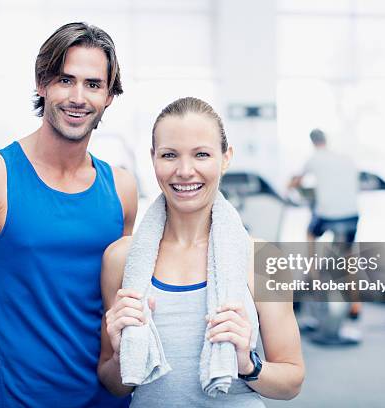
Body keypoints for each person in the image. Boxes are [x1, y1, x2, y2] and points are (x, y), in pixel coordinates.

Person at [0, 22, 137, 407]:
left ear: (109, 96)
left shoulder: (122, 189)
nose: (78, 97)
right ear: (42, 84)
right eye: (64, 80)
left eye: (93, 84)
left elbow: (121, 304)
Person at [97, 97, 305, 406]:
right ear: (153, 158)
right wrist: (119, 355)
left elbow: (291, 381)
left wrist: (248, 364)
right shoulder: (120, 259)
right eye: (169, 155)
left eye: (202, 155)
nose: (184, 170)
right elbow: (113, 383)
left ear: (225, 158)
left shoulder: (264, 259)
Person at [287, 129, 361, 317]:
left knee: (310, 234)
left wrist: (289, 185)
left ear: (313, 142)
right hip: (352, 214)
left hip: (328, 215)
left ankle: (314, 279)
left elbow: (295, 182)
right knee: (348, 257)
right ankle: (355, 304)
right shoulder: (345, 158)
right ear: (326, 139)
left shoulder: (314, 158)